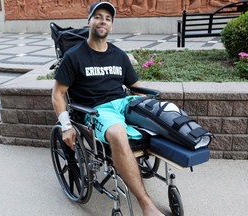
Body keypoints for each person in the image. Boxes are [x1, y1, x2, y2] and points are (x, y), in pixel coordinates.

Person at [51, 1, 165, 216]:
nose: (103, 21)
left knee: (164, 114)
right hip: (94, 111)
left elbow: (135, 87)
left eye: (108, 18)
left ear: (111, 25)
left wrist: (149, 108)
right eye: (99, 16)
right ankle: (146, 205)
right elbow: (57, 94)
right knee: (117, 131)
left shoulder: (119, 55)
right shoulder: (73, 56)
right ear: (89, 21)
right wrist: (66, 125)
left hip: (122, 104)